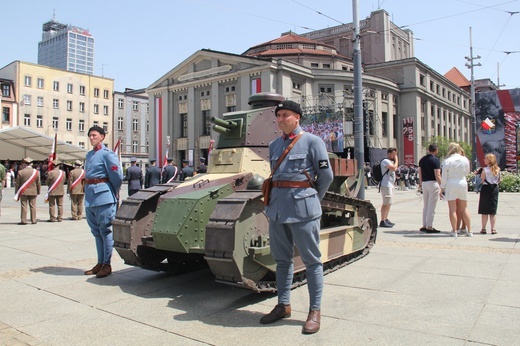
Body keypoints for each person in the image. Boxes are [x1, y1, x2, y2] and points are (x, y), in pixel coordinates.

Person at [260, 100, 333, 334]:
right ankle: (283, 304)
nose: (281, 119)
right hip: (278, 210)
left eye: (286, 115)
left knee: (312, 262)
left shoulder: (313, 141)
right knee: (282, 261)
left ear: (297, 117)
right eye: (278, 115)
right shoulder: (273, 145)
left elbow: (326, 176)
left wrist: (311, 199)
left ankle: (315, 310)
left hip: (303, 211)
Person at [83, 126, 123, 278]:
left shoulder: (107, 154)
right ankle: (100, 262)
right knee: (96, 232)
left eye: (94, 135)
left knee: (105, 230)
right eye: (90, 135)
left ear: (102, 137)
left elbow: (117, 176)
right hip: (91, 198)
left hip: (104, 196)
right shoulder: (89, 155)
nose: (91, 138)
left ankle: (107, 264)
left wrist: (112, 192)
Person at [440, 142, 471, 237]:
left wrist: (442, 187)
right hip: (462, 181)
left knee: (452, 209)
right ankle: (469, 230)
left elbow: (444, 176)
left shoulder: (447, 160)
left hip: (451, 183)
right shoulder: (464, 159)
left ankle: (454, 230)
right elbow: (467, 171)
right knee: (464, 207)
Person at [418, 143, 442, 233]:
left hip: (424, 182)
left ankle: (424, 224)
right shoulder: (435, 160)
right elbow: (437, 174)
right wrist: (442, 185)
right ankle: (429, 226)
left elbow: (420, 173)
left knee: (426, 205)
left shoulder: (422, 160)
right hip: (433, 182)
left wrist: (420, 184)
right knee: (432, 205)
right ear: (436, 151)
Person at [478, 153, 501, 235]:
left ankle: (483, 228)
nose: (484, 160)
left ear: (489, 160)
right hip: (494, 189)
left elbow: (482, 179)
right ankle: (493, 228)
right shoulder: (497, 169)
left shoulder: (485, 170)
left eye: (486, 158)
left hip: (486, 189)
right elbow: (499, 180)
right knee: (493, 210)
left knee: (484, 210)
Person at [14, 157, 41, 225]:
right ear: (31, 164)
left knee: (24, 206)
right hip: (33, 191)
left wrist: (17, 192)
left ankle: (23, 220)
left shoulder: (20, 172)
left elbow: (17, 183)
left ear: (24, 164)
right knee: (33, 206)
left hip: (23, 191)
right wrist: (38, 191)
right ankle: (33, 220)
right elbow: (38, 183)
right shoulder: (36, 172)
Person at [379, 148, 398, 228]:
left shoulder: (390, 161)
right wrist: (397, 160)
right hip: (385, 185)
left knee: (389, 203)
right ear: (389, 154)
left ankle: (386, 219)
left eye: (395, 154)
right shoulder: (385, 161)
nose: (394, 156)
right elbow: (394, 168)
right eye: (393, 154)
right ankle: (382, 220)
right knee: (385, 203)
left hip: (390, 185)